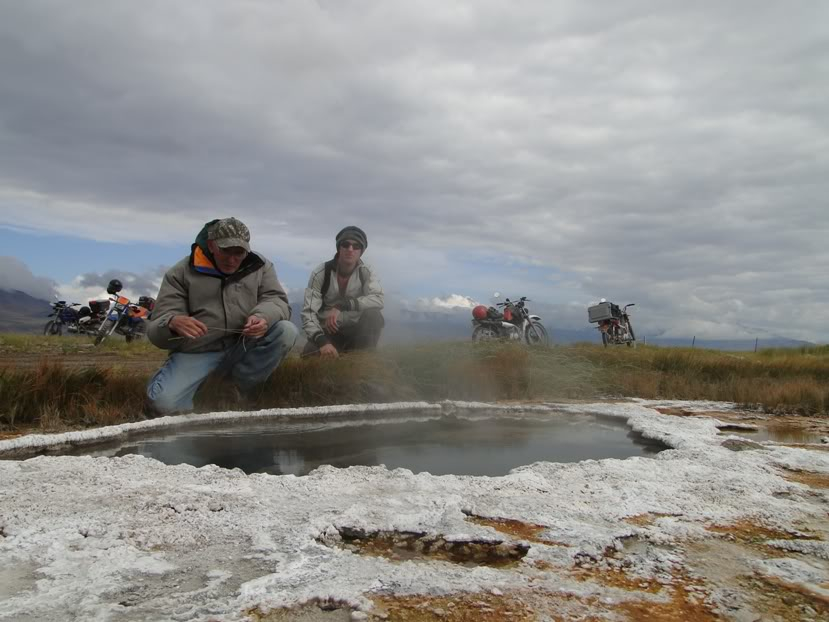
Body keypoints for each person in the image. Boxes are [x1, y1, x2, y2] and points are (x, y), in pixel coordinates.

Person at [145, 217, 298, 414]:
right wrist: (172, 323)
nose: (232, 259)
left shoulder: (261, 266)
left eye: (239, 253)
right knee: (163, 404)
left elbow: (276, 300)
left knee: (286, 331)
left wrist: (263, 317)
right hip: (197, 352)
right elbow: (156, 328)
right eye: (226, 251)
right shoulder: (180, 273)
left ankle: (234, 389)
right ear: (212, 245)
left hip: (243, 345)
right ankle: (194, 404)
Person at [301, 226, 384, 358]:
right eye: (346, 244)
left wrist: (343, 305)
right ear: (339, 247)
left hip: (357, 331)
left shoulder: (366, 272)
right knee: (309, 356)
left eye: (356, 246)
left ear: (361, 251)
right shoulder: (321, 273)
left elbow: (378, 299)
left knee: (374, 315)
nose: (350, 249)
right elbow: (309, 313)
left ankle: (364, 360)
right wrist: (322, 342)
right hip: (328, 332)